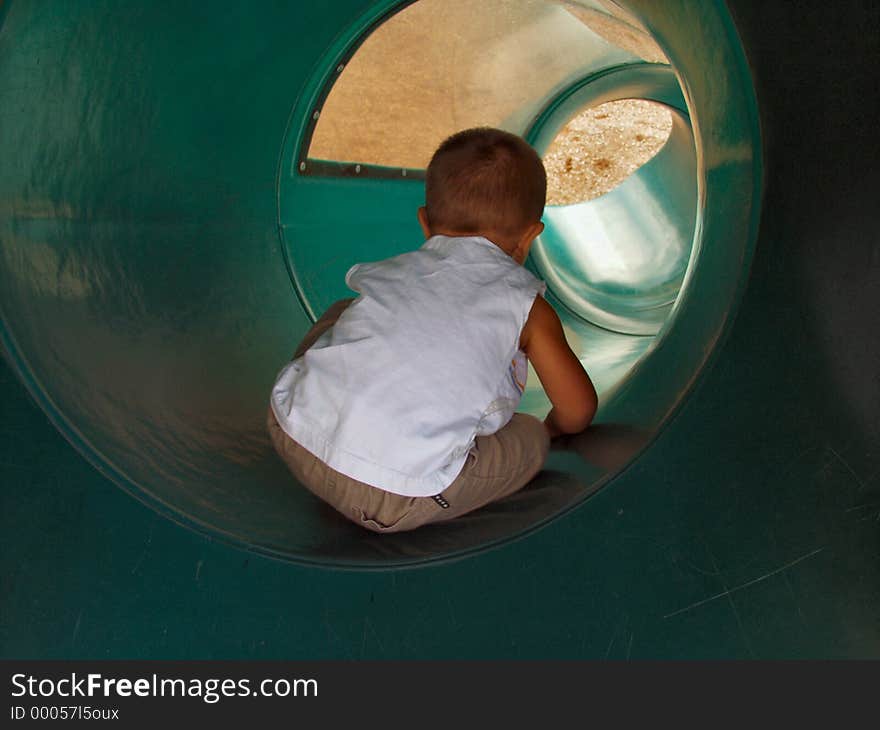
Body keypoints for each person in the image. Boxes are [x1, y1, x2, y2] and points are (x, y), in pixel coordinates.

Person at [268, 127, 597, 533]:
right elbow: (578, 409)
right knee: (529, 438)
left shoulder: (390, 270)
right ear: (531, 236)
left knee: (345, 311)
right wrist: (552, 429)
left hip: (291, 433)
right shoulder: (528, 307)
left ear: (425, 222)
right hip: (396, 496)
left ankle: (318, 389)